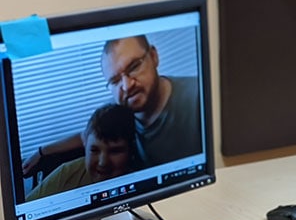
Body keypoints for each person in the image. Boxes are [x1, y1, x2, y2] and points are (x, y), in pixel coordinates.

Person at [22, 34, 202, 174]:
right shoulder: (119, 108)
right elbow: (86, 135)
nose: (127, 85)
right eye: (115, 80)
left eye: (133, 67)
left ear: (154, 56)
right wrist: (42, 151)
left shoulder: (197, 98)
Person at [26, 103, 136, 201]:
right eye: (94, 150)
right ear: (85, 144)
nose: (103, 162)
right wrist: (42, 151)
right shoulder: (67, 173)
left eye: (114, 151)